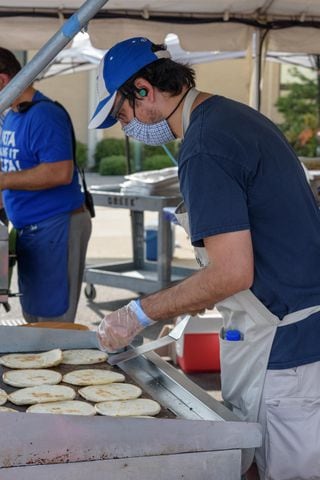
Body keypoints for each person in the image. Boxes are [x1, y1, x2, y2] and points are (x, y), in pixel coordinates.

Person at [89, 37, 320, 480]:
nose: (127, 128)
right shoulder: (231, 117)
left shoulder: (205, 145)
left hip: (287, 343)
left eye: (122, 115)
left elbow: (232, 271)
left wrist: (138, 312)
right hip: (285, 330)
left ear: (144, 90)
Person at [0, 47, 92, 323]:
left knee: (53, 324)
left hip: (57, 227)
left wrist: (2, 180)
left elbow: (60, 171)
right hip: (32, 231)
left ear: (2, 81)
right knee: (35, 320)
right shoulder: (13, 116)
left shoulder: (44, 115)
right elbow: (17, 171)